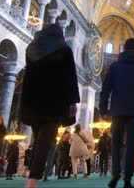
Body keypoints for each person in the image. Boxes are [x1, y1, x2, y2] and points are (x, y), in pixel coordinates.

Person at [20, 23, 80, 188]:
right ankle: (32, 180)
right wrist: (72, 101)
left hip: (32, 102)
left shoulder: (31, 48)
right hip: (53, 103)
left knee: (39, 141)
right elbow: (70, 78)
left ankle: (31, 175)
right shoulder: (64, 49)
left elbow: (29, 75)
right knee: (44, 143)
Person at [100, 38, 134, 188]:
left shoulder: (114, 66)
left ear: (123, 50)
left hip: (117, 110)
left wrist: (103, 109)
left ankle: (115, 174)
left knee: (116, 142)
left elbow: (105, 89)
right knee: (131, 145)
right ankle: (128, 180)